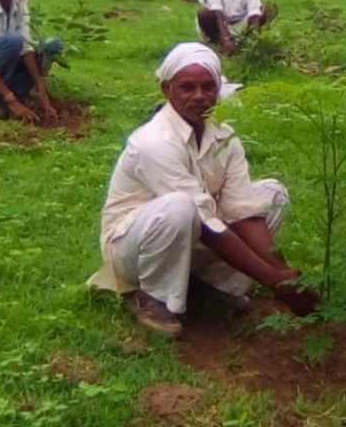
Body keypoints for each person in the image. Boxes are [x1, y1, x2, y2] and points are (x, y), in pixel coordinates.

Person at [87, 42, 318, 338]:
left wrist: (285, 275)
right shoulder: (154, 141)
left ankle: (213, 287)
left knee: (271, 195)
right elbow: (206, 224)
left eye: (209, 87)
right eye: (187, 87)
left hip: (188, 233)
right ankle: (153, 296)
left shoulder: (224, 136)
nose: (200, 96)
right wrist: (272, 280)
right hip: (133, 248)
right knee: (180, 206)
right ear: (166, 89)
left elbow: (242, 211)